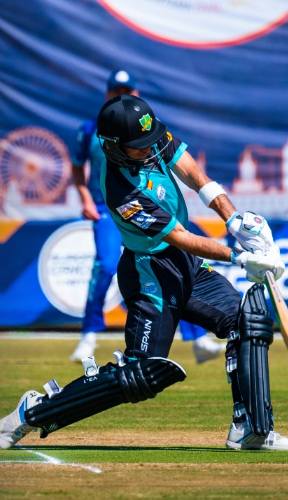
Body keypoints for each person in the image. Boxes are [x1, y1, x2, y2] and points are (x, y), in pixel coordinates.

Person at [0, 94, 288, 451]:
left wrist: (234, 220)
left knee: (246, 322)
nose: (151, 149)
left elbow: (196, 176)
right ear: (114, 147)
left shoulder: (148, 137)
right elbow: (180, 237)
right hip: (150, 273)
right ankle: (35, 411)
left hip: (187, 267)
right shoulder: (121, 191)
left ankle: (249, 428)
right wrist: (240, 257)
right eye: (140, 146)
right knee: (142, 373)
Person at [68, 70, 225, 365]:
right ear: (107, 95)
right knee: (105, 265)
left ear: (137, 93)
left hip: (148, 207)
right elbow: (77, 168)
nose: (123, 96)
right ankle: (89, 335)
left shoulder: (147, 126)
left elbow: (185, 169)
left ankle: (198, 340)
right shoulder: (90, 131)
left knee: (175, 258)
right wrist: (85, 198)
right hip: (108, 208)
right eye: (116, 91)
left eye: (128, 91)